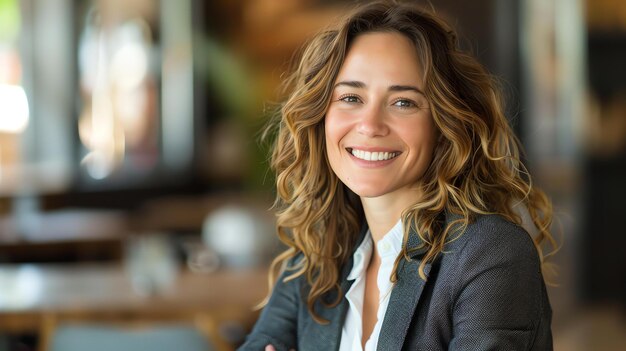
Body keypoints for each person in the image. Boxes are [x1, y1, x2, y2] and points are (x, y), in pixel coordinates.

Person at [239, 1, 558, 350]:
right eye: (350, 97)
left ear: (444, 124)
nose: (370, 125)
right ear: (321, 116)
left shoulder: (489, 255)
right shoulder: (320, 254)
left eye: (403, 102)